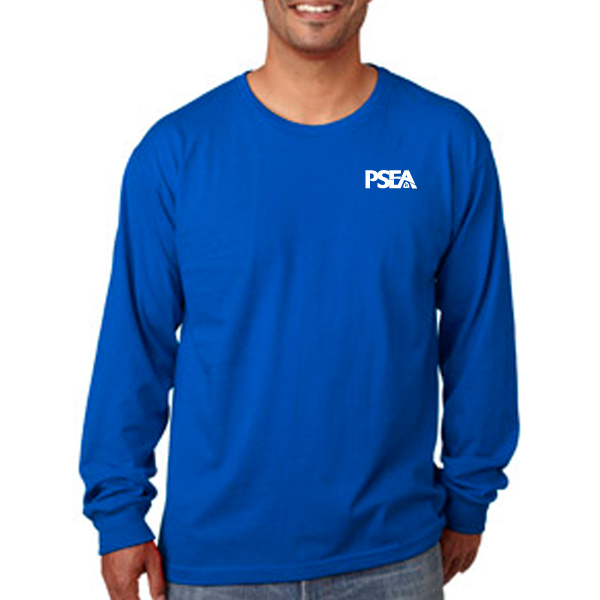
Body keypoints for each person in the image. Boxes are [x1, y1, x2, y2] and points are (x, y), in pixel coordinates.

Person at [78, 1, 520, 598]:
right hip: (217, 563)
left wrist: (470, 494)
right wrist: (118, 513)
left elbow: (479, 335)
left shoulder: (445, 143)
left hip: (393, 551)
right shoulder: (175, 152)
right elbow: (134, 345)